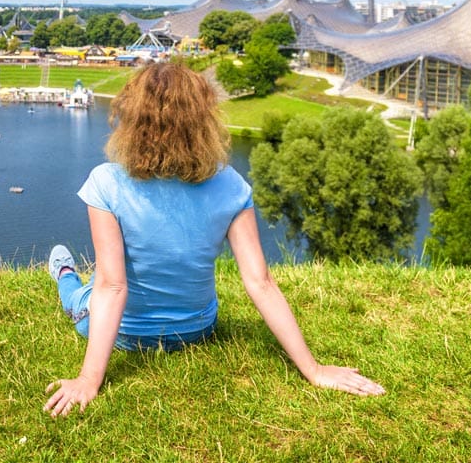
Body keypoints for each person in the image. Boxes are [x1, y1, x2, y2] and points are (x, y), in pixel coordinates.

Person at [43, 62, 384, 417]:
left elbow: (113, 287)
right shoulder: (231, 184)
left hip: (127, 335)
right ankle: (68, 275)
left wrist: (88, 379)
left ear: (133, 118)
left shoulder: (105, 182)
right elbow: (260, 282)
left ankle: (65, 273)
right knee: (98, 284)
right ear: (202, 119)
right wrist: (313, 370)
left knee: (82, 292)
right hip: (196, 330)